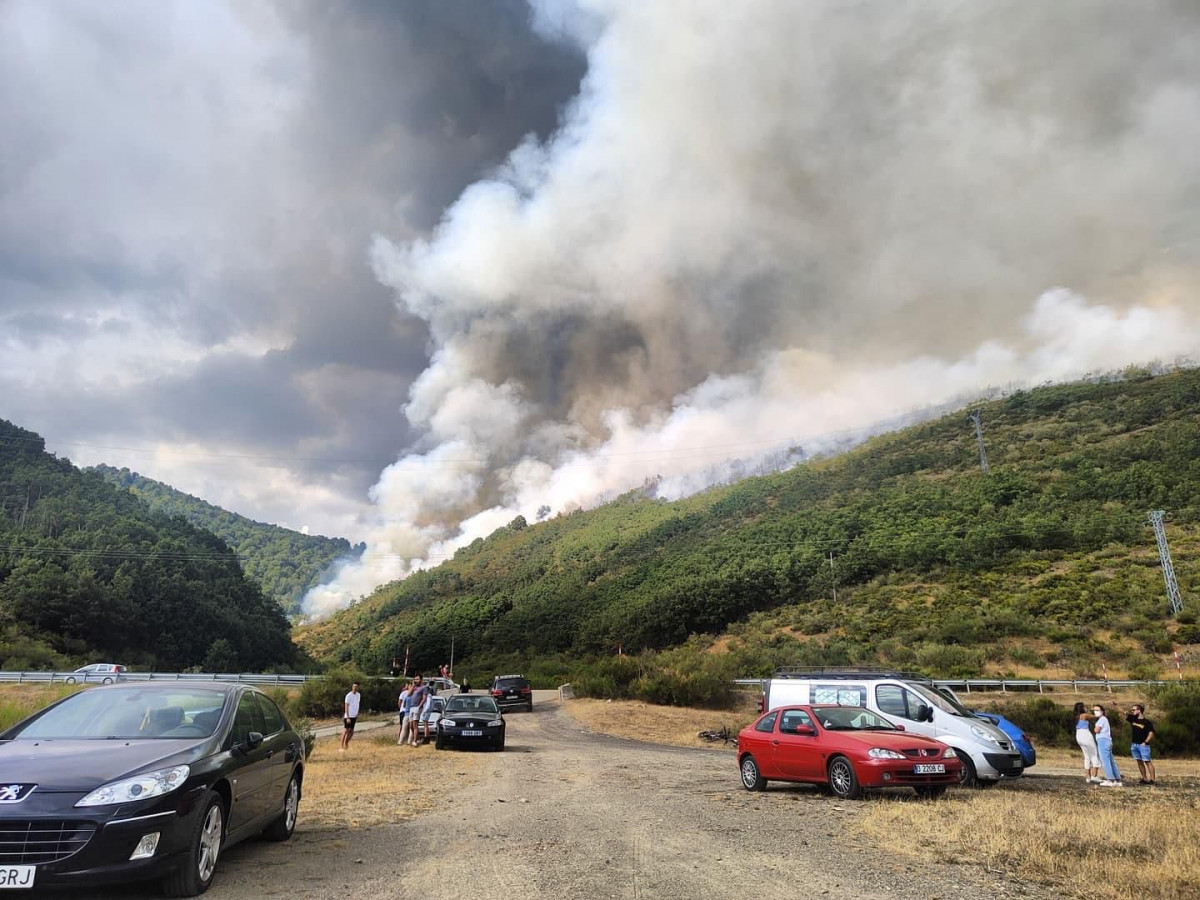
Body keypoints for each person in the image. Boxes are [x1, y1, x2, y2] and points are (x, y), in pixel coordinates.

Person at [1126, 704, 1157, 785]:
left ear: (1139, 711)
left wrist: (1146, 742)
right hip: (1134, 744)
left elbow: (1151, 733)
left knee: (1147, 761)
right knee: (1139, 761)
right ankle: (1144, 778)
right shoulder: (1133, 719)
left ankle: (1152, 779)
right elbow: (1124, 713)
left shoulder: (1146, 722)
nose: (1132, 711)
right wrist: (1116, 705)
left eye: (1134, 710)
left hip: (1143, 745)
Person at [1093, 704, 1122, 786]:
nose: (1095, 712)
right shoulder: (1104, 719)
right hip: (1108, 741)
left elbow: (1097, 730)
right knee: (1111, 761)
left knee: (1105, 761)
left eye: (1097, 710)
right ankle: (1117, 780)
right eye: (1094, 710)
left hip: (1103, 741)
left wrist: (1095, 729)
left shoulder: (1102, 719)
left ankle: (1110, 779)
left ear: (1102, 711)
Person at [1073, 702, 1102, 784]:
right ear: (1082, 708)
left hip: (1078, 735)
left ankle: (1088, 777)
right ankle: (1094, 775)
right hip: (1085, 734)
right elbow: (1096, 716)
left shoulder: (1076, 717)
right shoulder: (1084, 715)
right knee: (1094, 754)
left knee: (1086, 756)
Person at [407, 674, 429, 747]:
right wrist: (412, 686)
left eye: (417, 679)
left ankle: (415, 741)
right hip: (411, 707)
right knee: (410, 726)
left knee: (415, 724)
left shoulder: (424, 688)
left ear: (421, 680)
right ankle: (416, 738)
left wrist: (419, 706)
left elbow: (424, 698)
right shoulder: (414, 687)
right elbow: (408, 694)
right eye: (415, 679)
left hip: (417, 707)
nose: (415, 680)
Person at [340, 681, 361, 752]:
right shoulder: (348, 695)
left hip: (354, 715)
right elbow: (346, 706)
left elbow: (357, 704)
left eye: (356, 687)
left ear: (358, 687)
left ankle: (346, 743)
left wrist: (357, 713)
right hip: (348, 716)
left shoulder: (358, 695)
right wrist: (348, 717)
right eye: (353, 686)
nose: (354, 688)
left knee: (351, 731)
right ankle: (341, 746)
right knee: (346, 730)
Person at [398, 681, 418, 745]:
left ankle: (400, 741)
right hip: (412, 714)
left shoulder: (407, 696)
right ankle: (409, 741)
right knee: (411, 729)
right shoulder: (415, 697)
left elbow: (403, 705)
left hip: (406, 714)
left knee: (403, 728)